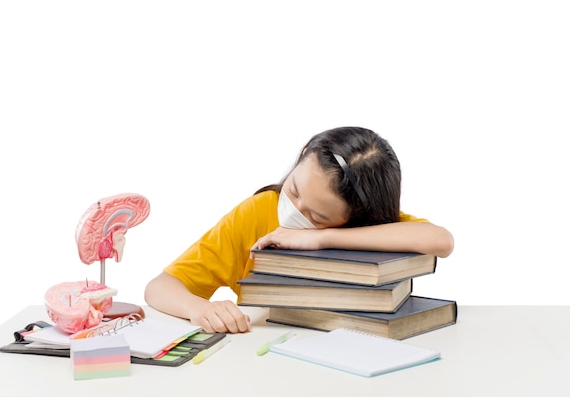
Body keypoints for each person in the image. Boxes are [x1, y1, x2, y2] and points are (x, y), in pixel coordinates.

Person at [144, 126, 454, 333]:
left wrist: (320, 237)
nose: (294, 210)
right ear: (302, 153)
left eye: (318, 216)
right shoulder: (259, 210)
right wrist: (198, 308)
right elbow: (159, 287)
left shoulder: (372, 229)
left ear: (356, 218)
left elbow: (440, 240)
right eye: (294, 190)